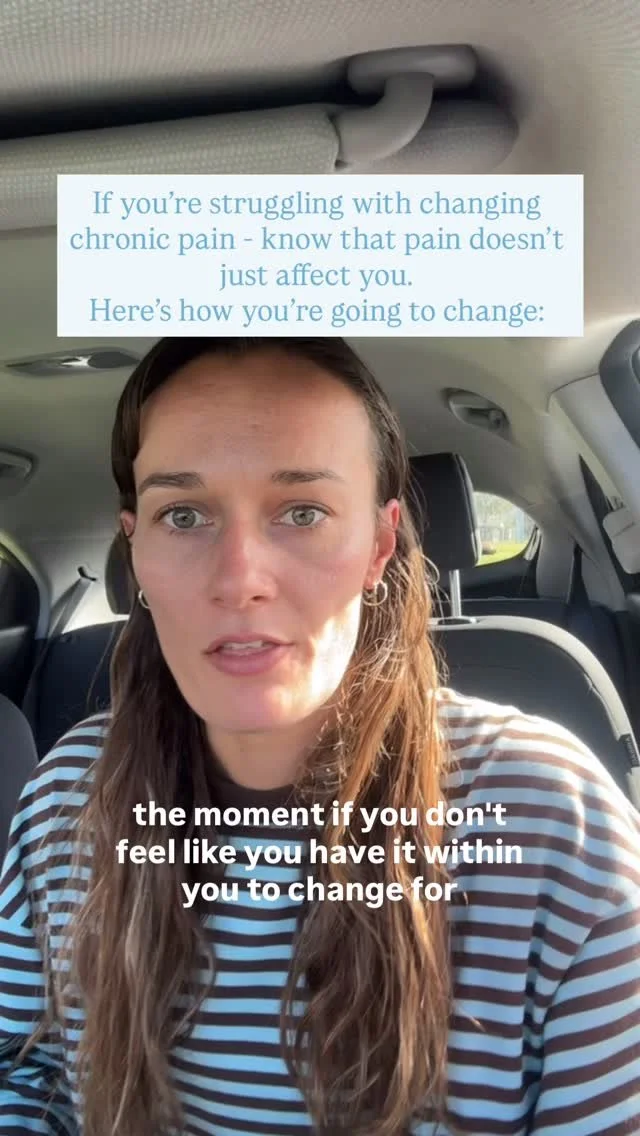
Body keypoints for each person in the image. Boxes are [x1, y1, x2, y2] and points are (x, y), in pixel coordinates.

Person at [0, 336, 638, 1136]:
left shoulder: (551, 821)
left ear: (378, 546)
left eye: (302, 512)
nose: (240, 578)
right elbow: (26, 1069)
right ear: (137, 551)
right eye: (183, 515)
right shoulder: (67, 796)